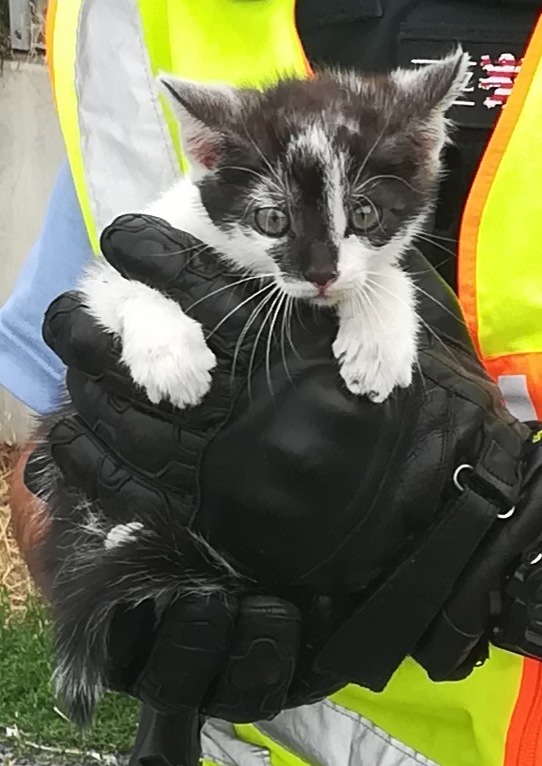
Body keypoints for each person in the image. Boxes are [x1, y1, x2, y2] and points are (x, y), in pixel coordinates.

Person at [1, 1, 542, 764]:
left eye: (358, 215)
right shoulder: (131, 23)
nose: (324, 272)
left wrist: (495, 539)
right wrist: (117, 580)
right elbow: (47, 460)